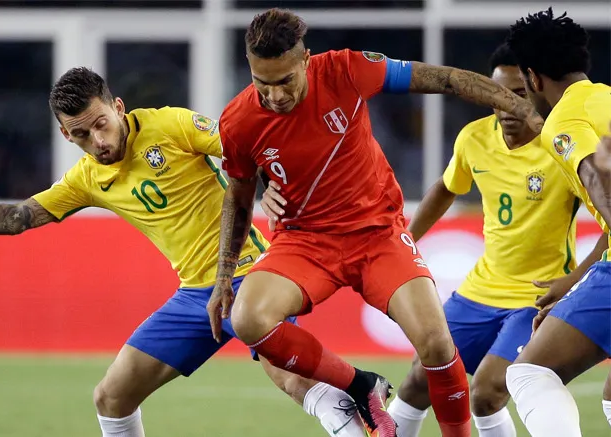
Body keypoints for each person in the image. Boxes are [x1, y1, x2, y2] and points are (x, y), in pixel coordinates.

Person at [0, 67, 372, 437]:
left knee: (296, 384)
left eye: (100, 124)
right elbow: (22, 217)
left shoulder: (171, 126)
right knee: (111, 397)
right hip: (194, 297)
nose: (97, 141)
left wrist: (266, 183)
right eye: (79, 134)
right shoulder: (88, 177)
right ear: (64, 134)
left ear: (117, 106)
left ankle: (367, 414)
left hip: (249, 275)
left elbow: (243, 145)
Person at [208, 8, 543, 437]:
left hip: (378, 234)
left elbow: (444, 78)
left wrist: (518, 106)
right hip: (305, 241)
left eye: (284, 81)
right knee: (248, 318)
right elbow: (237, 199)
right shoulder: (238, 121)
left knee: (438, 346)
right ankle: (361, 386)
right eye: (262, 84)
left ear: (306, 59)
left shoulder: (347, 69)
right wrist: (223, 277)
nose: (274, 96)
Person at [373, 43, 604, 437]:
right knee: (417, 382)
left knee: (487, 391)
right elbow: (446, 188)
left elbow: (606, 221)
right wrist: (404, 240)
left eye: (517, 94)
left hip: (534, 298)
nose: (505, 105)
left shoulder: (561, 145)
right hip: (478, 293)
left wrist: (575, 279)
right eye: (495, 94)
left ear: (534, 90)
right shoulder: (474, 139)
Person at [502, 8, 611, 437]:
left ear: (532, 77)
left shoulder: (564, 120)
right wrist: (577, 281)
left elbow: (596, 183)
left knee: (529, 374)